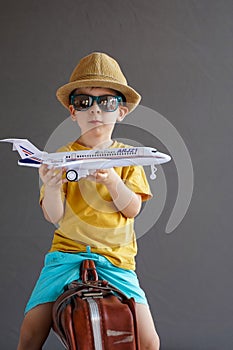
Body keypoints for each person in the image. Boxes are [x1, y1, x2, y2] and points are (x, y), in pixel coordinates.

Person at [17, 52, 160, 350]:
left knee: (149, 342)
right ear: (73, 112)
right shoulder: (63, 153)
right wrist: (53, 186)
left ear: (120, 111)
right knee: (31, 331)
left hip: (116, 260)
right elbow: (54, 216)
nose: (95, 111)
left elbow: (132, 209)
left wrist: (112, 181)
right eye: (85, 102)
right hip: (66, 256)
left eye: (106, 102)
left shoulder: (128, 159)